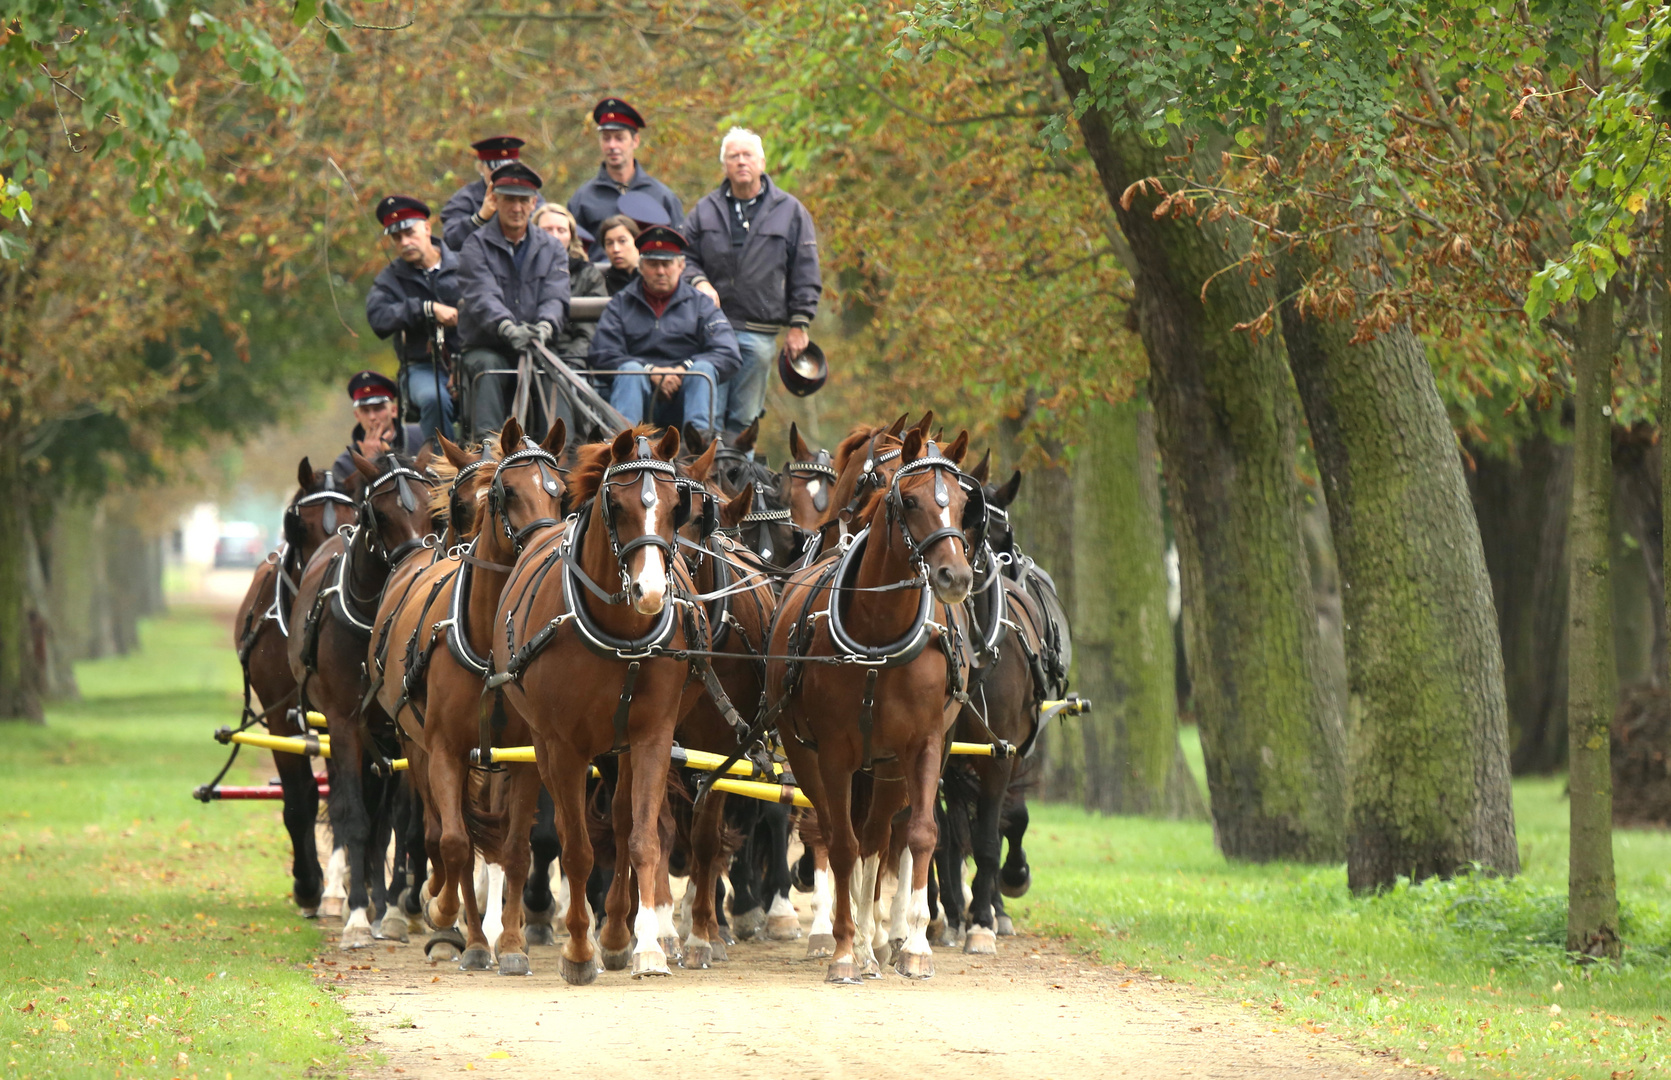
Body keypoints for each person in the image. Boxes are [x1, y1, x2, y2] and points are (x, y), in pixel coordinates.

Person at [682, 127, 822, 437]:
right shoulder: (704, 211)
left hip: (759, 332)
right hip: (710, 331)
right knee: (706, 419)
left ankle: (737, 479)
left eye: (748, 155)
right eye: (734, 156)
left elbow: (806, 271)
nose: (741, 162)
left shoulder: (791, 212)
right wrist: (699, 281)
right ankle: (706, 482)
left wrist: (799, 324)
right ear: (724, 165)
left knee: (744, 421)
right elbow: (682, 256)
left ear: (762, 162)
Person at [588, 225, 740, 438]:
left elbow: (728, 352)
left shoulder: (702, 305)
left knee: (702, 369)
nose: (660, 271)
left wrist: (684, 369)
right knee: (630, 370)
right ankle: (623, 448)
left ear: (681, 266)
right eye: (653, 264)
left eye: (667, 264)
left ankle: (697, 449)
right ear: (641, 266)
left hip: (687, 394)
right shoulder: (620, 304)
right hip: (637, 392)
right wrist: (649, 370)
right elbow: (602, 353)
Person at [456, 162, 571, 440]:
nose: (517, 208)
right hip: (487, 345)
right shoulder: (475, 245)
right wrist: (506, 327)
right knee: (490, 368)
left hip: (537, 344)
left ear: (534, 203)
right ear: (495, 200)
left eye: (523, 200)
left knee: (558, 373)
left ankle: (560, 458)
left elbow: (556, 295)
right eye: (509, 199)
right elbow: (481, 295)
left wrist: (545, 326)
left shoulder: (551, 247)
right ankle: (489, 453)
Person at [364, 195, 459, 445]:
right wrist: (426, 309)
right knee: (432, 398)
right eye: (397, 238)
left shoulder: (464, 264)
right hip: (422, 367)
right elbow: (378, 318)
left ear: (427, 228)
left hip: (471, 361)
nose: (404, 242)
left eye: (410, 233)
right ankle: (445, 471)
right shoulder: (390, 279)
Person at [567, 99, 686, 261]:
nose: (612, 145)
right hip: (598, 283)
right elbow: (571, 253)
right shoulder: (582, 199)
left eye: (619, 138)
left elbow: (681, 254)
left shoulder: (662, 197)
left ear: (635, 141)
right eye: (606, 138)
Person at [440, 136, 544, 252]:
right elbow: (451, 242)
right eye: (495, 171)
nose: (502, 176)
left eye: (507, 170)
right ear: (481, 168)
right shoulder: (464, 199)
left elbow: (547, 232)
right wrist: (479, 219)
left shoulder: (531, 197)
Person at [532, 203, 607, 362]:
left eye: (561, 230)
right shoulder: (521, 270)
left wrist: (569, 365)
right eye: (547, 230)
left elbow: (589, 334)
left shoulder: (588, 275)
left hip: (575, 360)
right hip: (532, 354)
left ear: (571, 237)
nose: (555, 236)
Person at [332, 371, 426, 482]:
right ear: (357, 416)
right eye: (365, 411)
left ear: (394, 410)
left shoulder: (422, 437)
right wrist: (370, 462)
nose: (372, 417)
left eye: (378, 408)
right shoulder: (344, 464)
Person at [597, 214, 641, 295]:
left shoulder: (651, 279)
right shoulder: (600, 283)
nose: (616, 249)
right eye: (609, 243)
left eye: (622, 241)